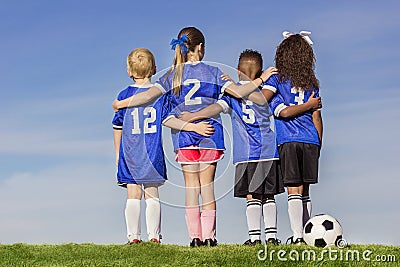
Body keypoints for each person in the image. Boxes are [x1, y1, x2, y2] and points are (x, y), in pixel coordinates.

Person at [111, 27, 275, 247]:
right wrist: (260, 79)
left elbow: (149, 94)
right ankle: (210, 237)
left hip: (184, 137)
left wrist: (122, 103)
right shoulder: (214, 72)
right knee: (207, 187)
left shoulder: (171, 75)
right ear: (200, 47)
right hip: (210, 133)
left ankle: (194, 238)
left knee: (191, 189)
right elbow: (238, 93)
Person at [112, 48, 215, 245]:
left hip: (131, 154)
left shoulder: (124, 95)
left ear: (129, 71)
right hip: (152, 152)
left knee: (133, 193)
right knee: (152, 193)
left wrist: (118, 153)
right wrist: (191, 126)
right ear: (154, 69)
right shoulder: (159, 95)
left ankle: (133, 237)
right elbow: (169, 120)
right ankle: (154, 237)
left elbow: (117, 127)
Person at [266, 32, 323, 244]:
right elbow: (317, 117)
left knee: (294, 190)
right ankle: (308, 236)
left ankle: (299, 236)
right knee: (305, 190)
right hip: (310, 140)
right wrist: (318, 142)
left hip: (289, 140)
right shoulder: (311, 83)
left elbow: (284, 113)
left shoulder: (276, 81)